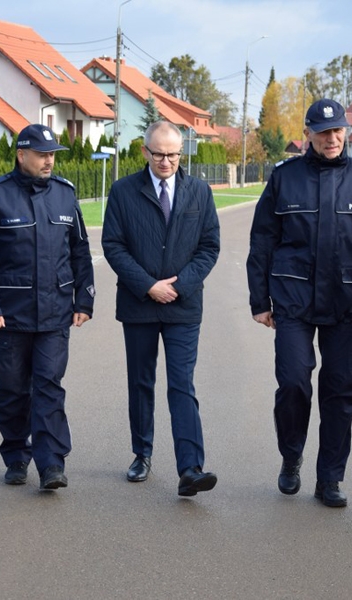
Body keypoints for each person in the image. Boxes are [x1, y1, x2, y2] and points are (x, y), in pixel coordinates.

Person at [247, 98, 352, 508]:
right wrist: (258, 299)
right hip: (293, 301)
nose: (332, 139)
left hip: (346, 303)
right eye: (323, 132)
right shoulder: (285, 178)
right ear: (308, 135)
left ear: (346, 132)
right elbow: (262, 240)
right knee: (294, 384)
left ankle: (330, 478)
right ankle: (291, 455)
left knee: (340, 392)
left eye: (338, 131)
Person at [0, 124, 94, 492]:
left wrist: (84, 298)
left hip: (55, 314)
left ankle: (51, 462)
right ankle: (15, 454)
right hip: (10, 315)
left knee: (49, 386)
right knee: (12, 389)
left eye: (53, 154)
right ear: (22, 155)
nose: (49, 160)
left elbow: (80, 251)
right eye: (42, 154)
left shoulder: (65, 195)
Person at [101, 121, 220, 497]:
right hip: (138, 304)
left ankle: (191, 467)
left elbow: (209, 247)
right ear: (144, 152)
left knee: (182, 383)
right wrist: (148, 285)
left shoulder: (199, 192)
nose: (166, 161)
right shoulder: (122, 191)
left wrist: (179, 285)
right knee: (141, 382)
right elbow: (113, 245)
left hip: (184, 306)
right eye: (159, 154)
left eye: (173, 154)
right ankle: (142, 453)